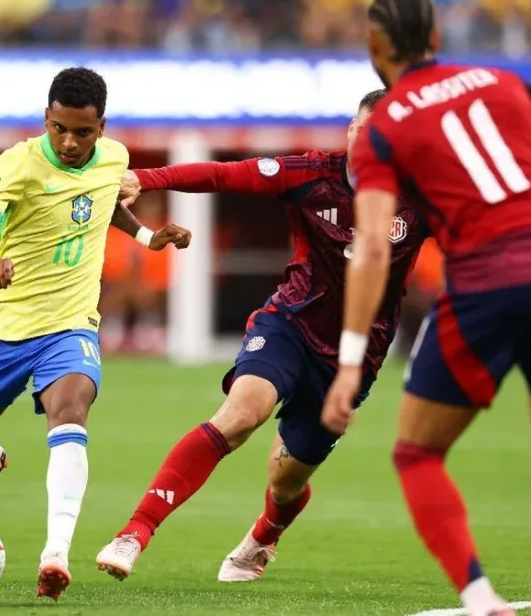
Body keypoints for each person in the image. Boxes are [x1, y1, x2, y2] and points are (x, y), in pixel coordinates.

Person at [323, 0, 531, 616]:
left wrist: (348, 364)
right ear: (436, 38)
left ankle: (481, 600)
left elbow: (372, 246)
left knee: (416, 452)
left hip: (486, 280)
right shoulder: (505, 81)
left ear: (375, 46)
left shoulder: (383, 129)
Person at [94, 89, 433, 581]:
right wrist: (144, 179)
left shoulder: (422, 199)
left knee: (287, 479)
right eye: (360, 129)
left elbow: (488, 253)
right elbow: (223, 174)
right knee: (240, 415)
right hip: (289, 325)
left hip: (355, 357)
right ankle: (134, 533)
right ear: (350, 129)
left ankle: (264, 535)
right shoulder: (314, 173)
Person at [0, 67, 192, 600]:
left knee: (72, 411)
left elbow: (103, 208)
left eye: (83, 132)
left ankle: (55, 554)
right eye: (60, 129)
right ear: (46, 119)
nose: (71, 142)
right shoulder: (16, 163)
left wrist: (148, 237)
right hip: (3, 328)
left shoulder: (116, 158)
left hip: (71, 322)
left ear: (102, 126)